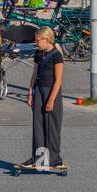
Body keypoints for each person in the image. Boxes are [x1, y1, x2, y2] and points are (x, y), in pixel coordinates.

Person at [17, 26, 65, 170]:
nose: (36, 43)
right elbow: (34, 73)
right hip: (39, 91)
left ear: (46, 39)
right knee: (38, 125)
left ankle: (55, 159)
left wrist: (51, 100)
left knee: (51, 126)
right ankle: (38, 158)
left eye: (38, 40)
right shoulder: (38, 54)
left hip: (52, 92)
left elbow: (58, 80)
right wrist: (30, 92)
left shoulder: (57, 55)